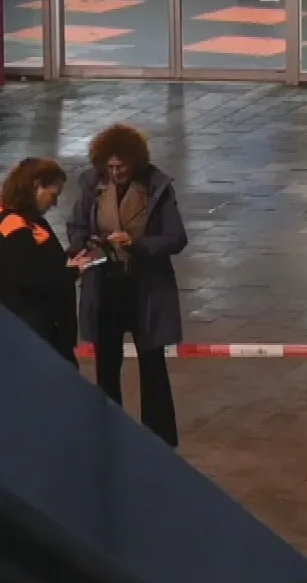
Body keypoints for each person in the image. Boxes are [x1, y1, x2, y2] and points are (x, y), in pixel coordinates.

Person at [68, 124, 188, 446]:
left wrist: (136, 243)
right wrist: (85, 245)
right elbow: (77, 224)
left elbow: (176, 238)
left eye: (121, 166)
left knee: (153, 365)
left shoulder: (156, 188)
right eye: (110, 166)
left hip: (144, 289)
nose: (116, 172)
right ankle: (108, 432)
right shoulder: (93, 186)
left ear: (135, 162)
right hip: (105, 286)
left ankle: (159, 438)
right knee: (107, 365)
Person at [0, 158, 92, 364]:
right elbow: (30, 276)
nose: (54, 203)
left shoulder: (31, 223)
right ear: (36, 184)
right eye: (53, 194)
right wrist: (69, 271)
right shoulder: (14, 225)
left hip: (43, 332)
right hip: (34, 335)